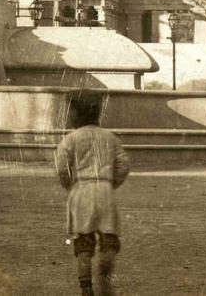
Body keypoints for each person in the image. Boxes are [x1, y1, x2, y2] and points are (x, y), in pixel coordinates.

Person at [55, 98, 130, 296]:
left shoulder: (70, 139)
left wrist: (70, 185)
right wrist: (111, 183)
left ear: (77, 114)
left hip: (81, 190)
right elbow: (123, 165)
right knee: (108, 238)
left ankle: (86, 289)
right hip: (105, 191)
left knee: (83, 244)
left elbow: (62, 168)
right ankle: (105, 280)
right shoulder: (110, 137)